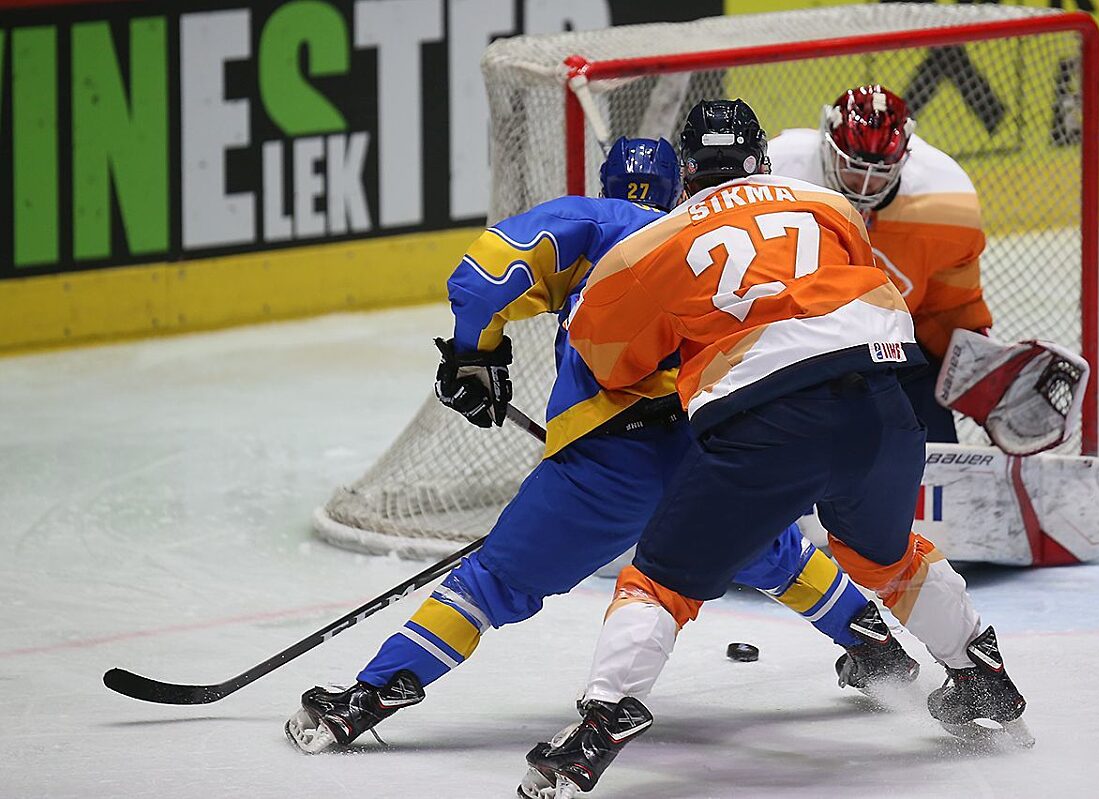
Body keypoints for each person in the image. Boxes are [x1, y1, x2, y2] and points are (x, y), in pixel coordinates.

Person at [284, 137, 918, 756]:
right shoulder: (705, 233)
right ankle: (870, 642)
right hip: (715, 446)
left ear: (608, 186)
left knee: (489, 584)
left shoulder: (595, 221)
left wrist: (476, 355)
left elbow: (488, 270)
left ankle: (370, 696)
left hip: (606, 463)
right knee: (769, 552)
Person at [524, 100, 1029, 798]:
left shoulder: (652, 241)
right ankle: (982, 675)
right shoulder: (830, 206)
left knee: (659, 583)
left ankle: (602, 721)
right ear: (761, 160)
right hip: (885, 404)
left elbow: (614, 365)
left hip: (766, 426)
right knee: (884, 556)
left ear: (688, 170)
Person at [768, 85, 992, 443]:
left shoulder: (946, 200)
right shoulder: (776, 173)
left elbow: (948, 308)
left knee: (935, 461)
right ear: (828, 144)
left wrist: (980, 370)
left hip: (892, 359)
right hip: (790, 357)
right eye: (853, 167)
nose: (865, 184)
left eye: (880, 170)